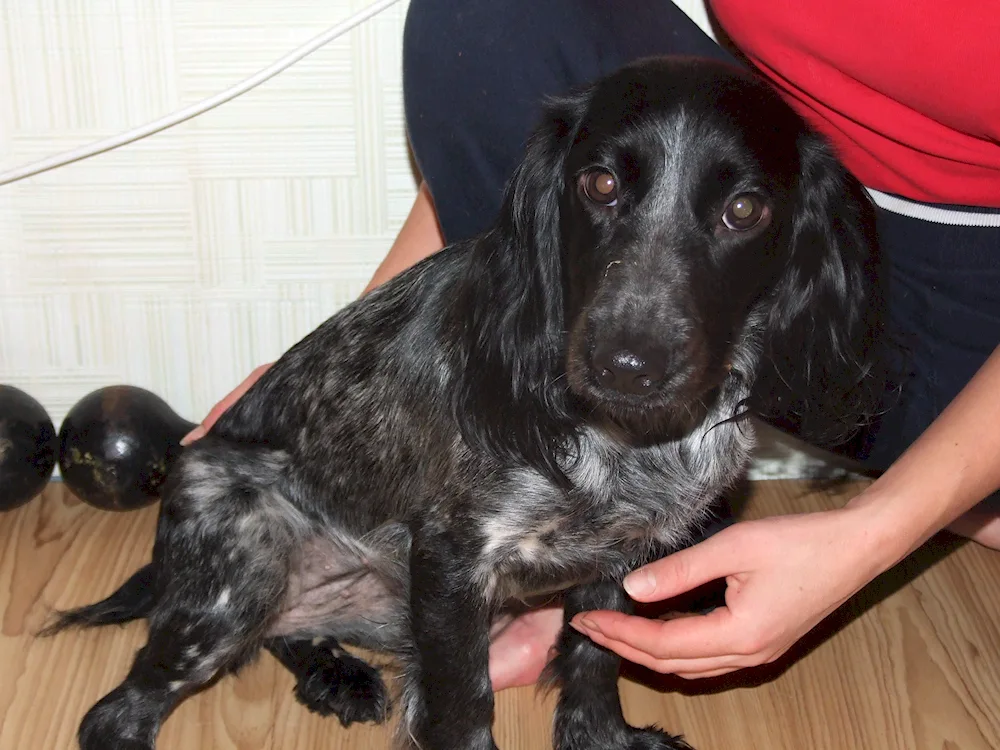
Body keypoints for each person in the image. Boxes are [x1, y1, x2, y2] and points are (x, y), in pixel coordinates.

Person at [182, 1, 1000, 689]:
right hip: (751, 159)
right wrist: (335, 380)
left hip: (946, 276)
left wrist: (875, 534)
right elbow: (537, 204)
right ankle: (550, 533)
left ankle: (940, 480)